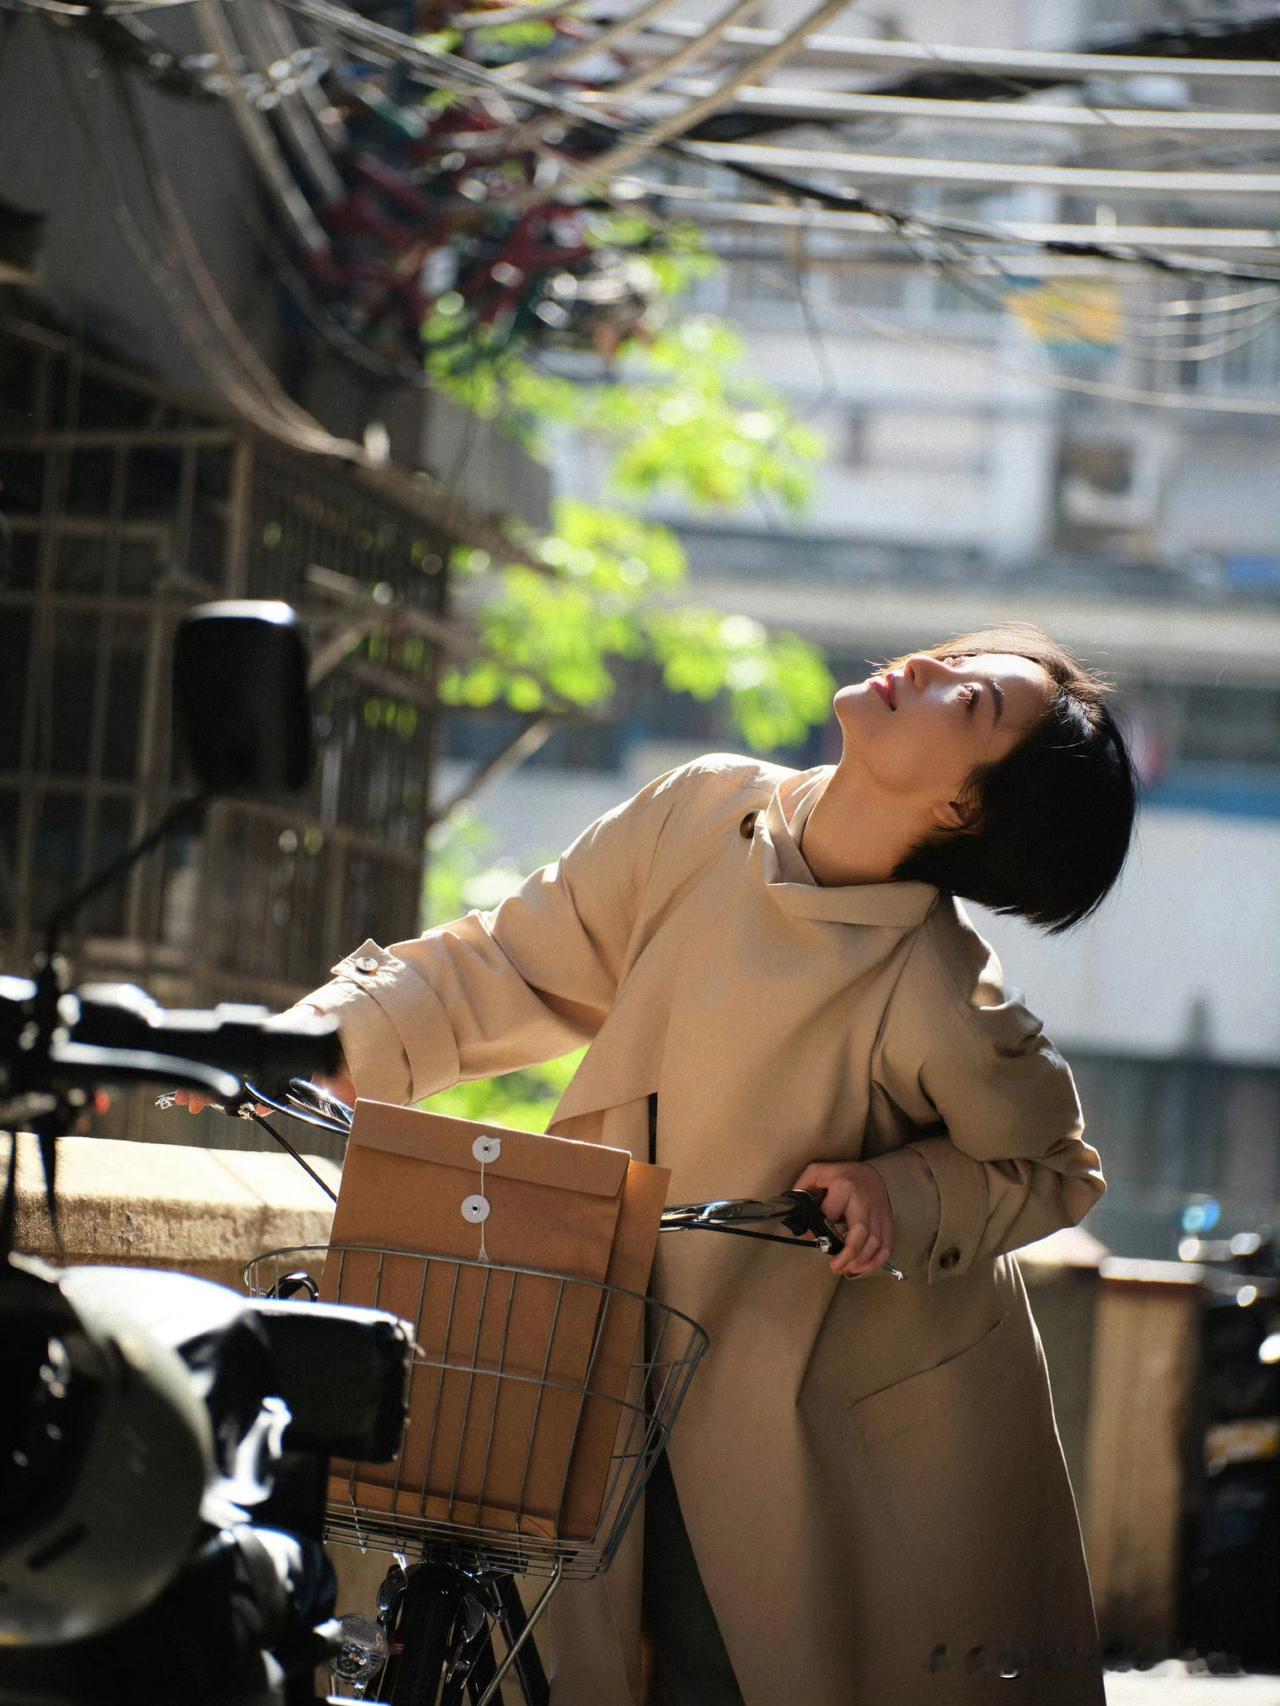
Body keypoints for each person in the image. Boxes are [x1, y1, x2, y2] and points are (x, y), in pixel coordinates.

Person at [189, 623, 1138, 1705]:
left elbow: (1052, 1165)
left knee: (729, 1658)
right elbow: (511, 958)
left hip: (812, 1410)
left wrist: (900, 1193)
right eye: (955, 657)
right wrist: (308, 1041)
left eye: (969, 701)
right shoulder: (701, 810)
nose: (927, 667)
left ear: (964, 811)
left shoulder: (936, 984)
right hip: (615, 1337)